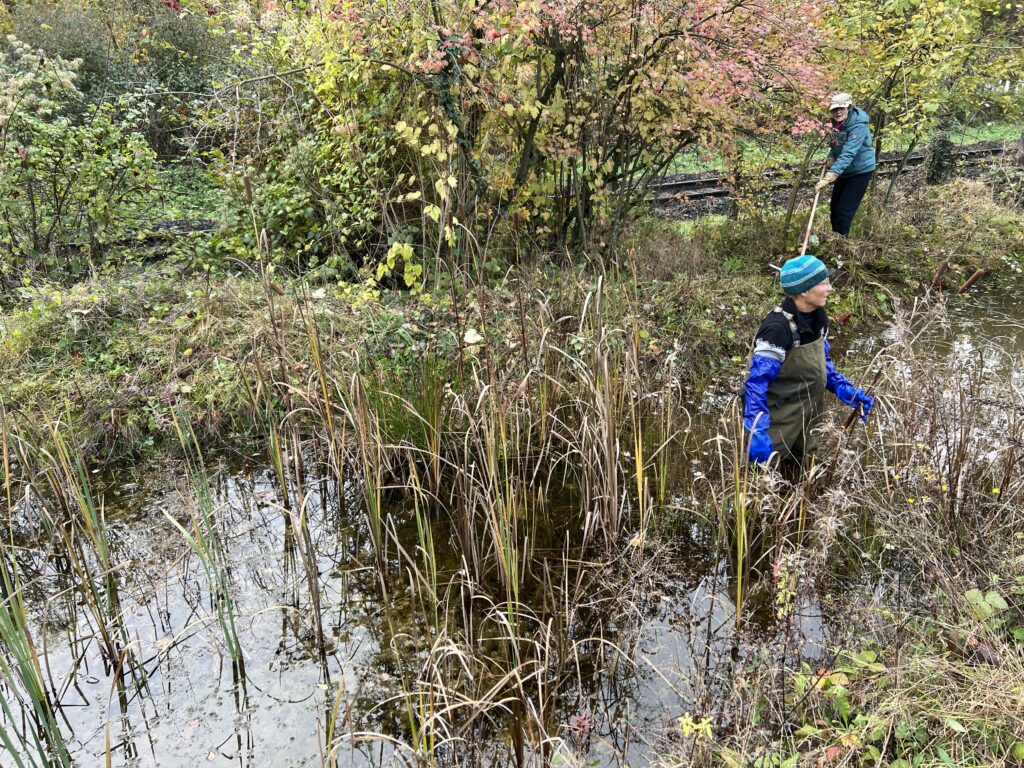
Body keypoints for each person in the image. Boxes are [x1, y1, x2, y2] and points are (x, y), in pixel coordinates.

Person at [743, 254, 874, 467]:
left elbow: (821, 362)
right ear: (804, 291)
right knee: (761, 479)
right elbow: (757, 383)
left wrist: (845, 389)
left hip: (808, 415)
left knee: (804, 471)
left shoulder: (818, 319)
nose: (830, 288)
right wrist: (756, 428)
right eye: (823, 283)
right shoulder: (777, 329)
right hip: (777, 420)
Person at [814, 93, 876, 237]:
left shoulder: (858, 125)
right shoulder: (837, 123)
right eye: (835, 109)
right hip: (845, 169)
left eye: (841, 108)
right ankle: (835, 240)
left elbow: (849, 152)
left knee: (843, 212)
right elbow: (836, 143)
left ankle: (840, 247)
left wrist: (830, 175)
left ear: (849, 107)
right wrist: (831, 156)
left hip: (860, 171)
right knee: (834, 208)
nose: (838, 112)